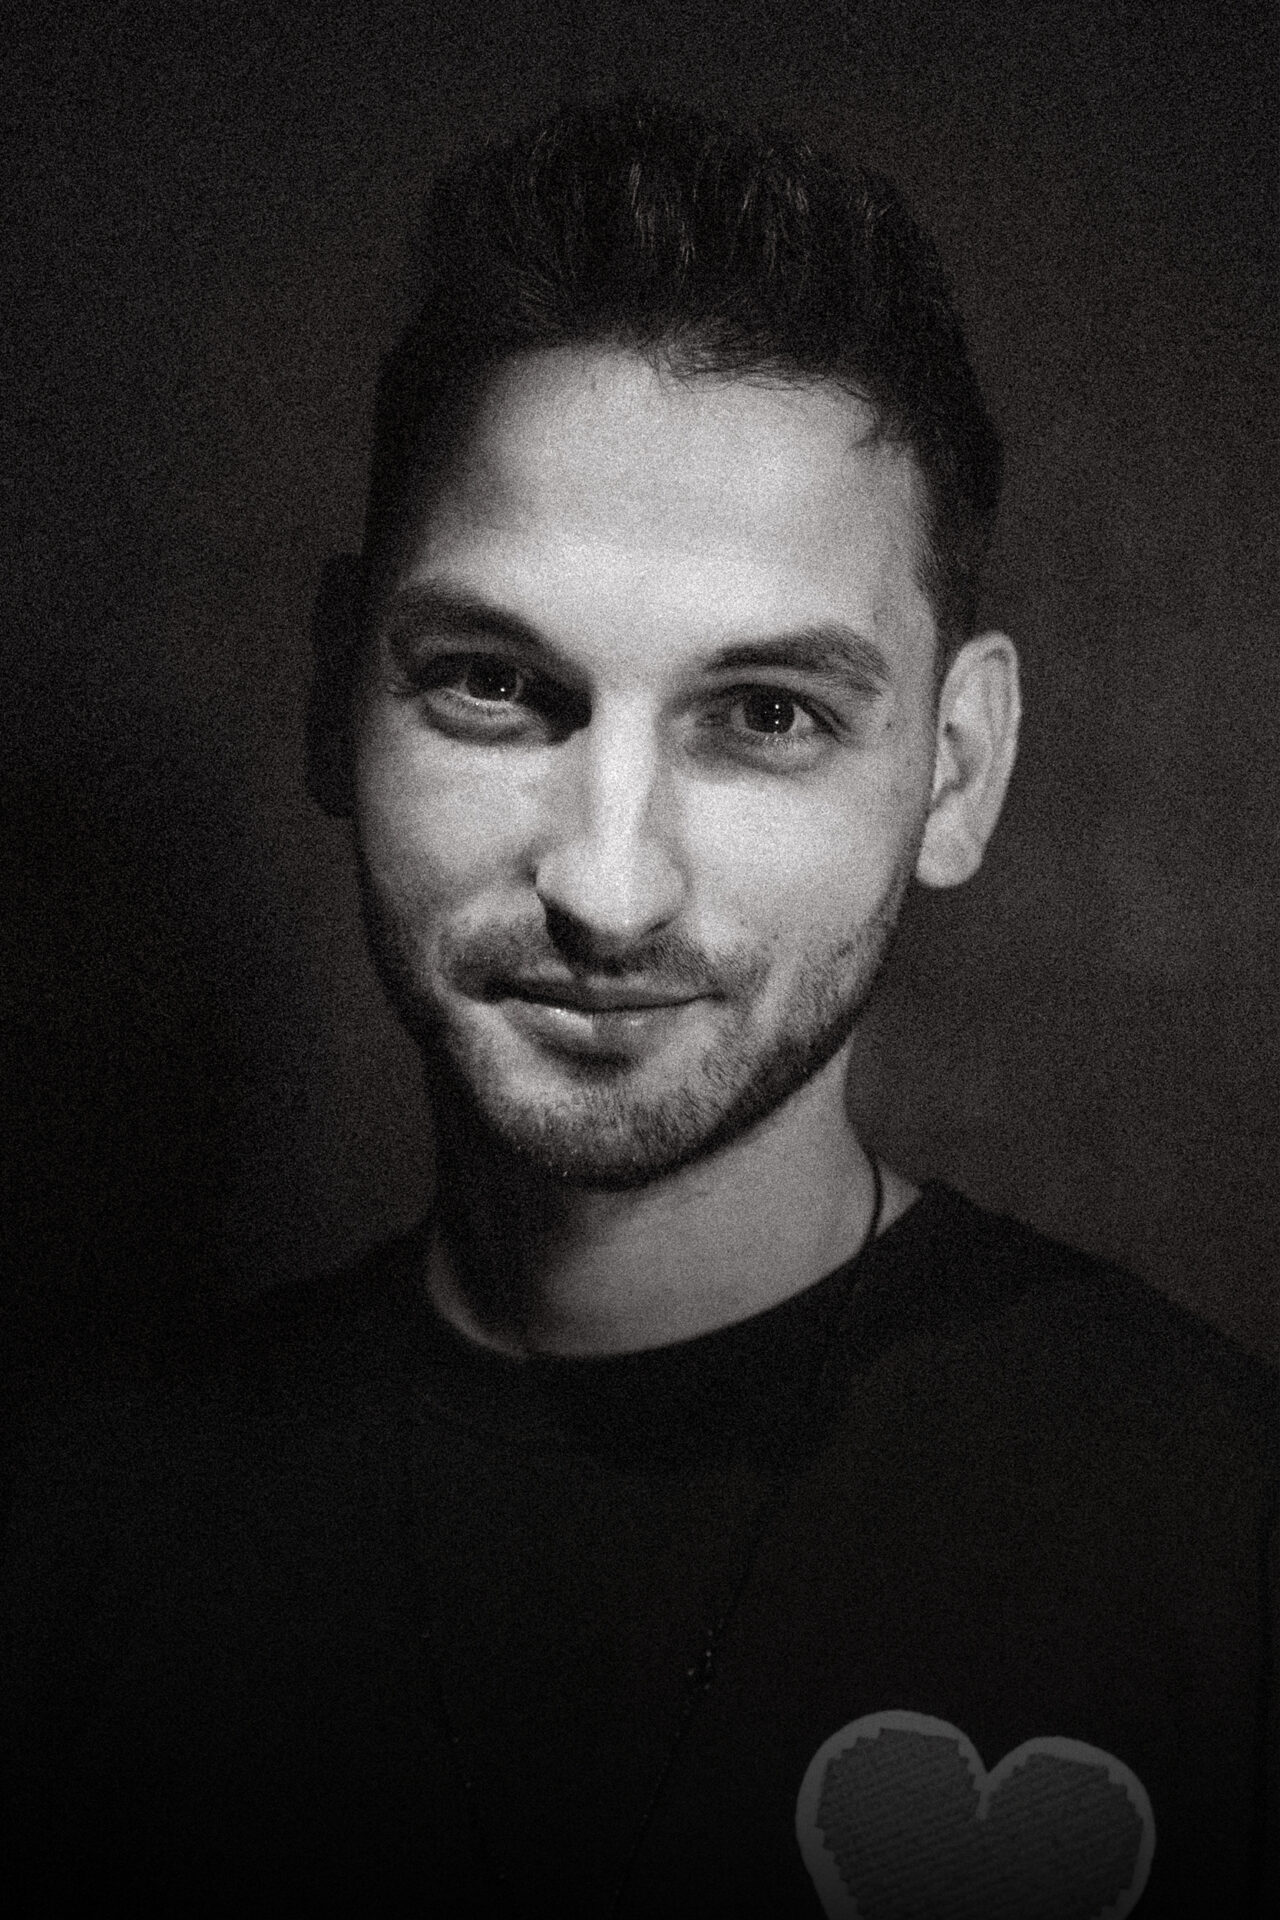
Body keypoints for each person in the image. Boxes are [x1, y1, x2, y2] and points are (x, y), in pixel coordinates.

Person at [3, 94, 1274, 1920]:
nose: (608, 890)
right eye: (493, 684)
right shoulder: (78, 1545)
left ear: (958, 769)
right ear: (333, 691)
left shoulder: (1221, 1538)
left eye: (767, 715)